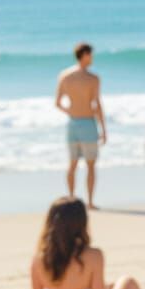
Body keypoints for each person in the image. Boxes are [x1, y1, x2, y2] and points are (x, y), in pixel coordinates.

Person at [56, 42, 106, 209]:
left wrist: (70, 110)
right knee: (90, 165)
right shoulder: (93, 78)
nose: (92, 58)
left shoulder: (65, 75)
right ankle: (90, 202)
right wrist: (103, 129)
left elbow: (57, 103)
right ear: (84, 55)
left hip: (72, 123)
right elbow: (97, 105)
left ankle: (71, 200)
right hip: (88, 123)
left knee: (72, 164)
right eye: (90, 54)